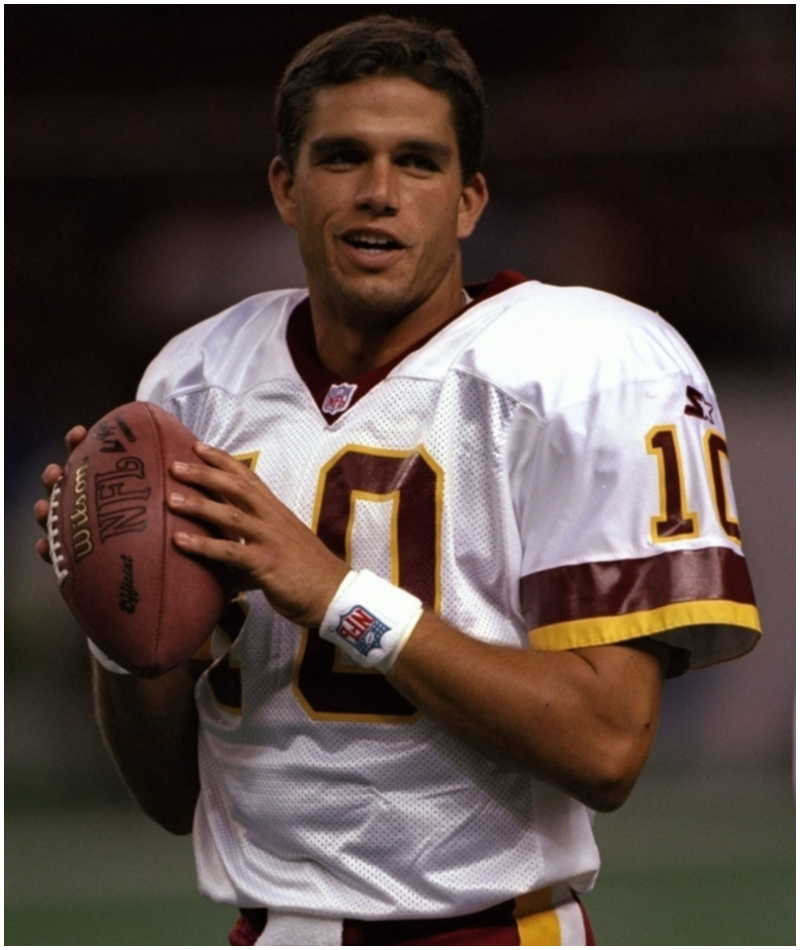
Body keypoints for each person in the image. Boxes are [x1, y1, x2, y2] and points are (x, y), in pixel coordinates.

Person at [36, 15, 761, 947]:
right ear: (285, 188)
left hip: (492, 929)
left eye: (418, 163)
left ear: (469, 200)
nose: (380, 194)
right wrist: (113, 619)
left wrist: (339, 595)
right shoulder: (196, 380)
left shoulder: (580, 361)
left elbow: (606, 748)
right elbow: (170, 797)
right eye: (343, 158)